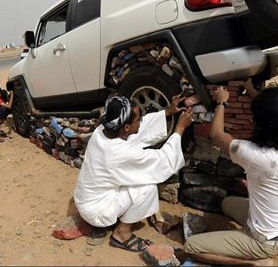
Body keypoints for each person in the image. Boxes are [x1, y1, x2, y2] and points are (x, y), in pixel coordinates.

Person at [184, 83, 278, 266]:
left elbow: (216, 134)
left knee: (192, 246)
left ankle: (255, 263)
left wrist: (221, 102)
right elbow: (274, 114)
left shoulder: (254, 155)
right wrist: (251, 89)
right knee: (227, 203)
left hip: (264, 241)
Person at [74, 94, 193, 253]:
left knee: (134, 168)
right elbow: (163, 160)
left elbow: (138, 130)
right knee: (148, 185)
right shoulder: (120, 153)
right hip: (97, 210)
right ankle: (121, 234)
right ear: (126, 127)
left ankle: (117, 220)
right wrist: (180, 128)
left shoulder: (103, 131)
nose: (141, 121)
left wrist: (167, 112)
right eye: (139, 118)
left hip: (85, 199)